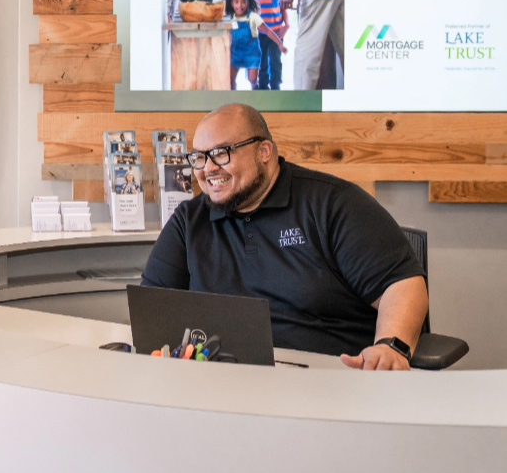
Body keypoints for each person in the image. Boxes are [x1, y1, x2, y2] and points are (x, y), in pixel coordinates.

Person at [141, 104, 428, 370]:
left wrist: (391, 347)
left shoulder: (333, 203)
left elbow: (401, 284)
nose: (208, 169)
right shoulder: (189, 222)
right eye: (199, 158)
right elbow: (151, 312)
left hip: (328, 382)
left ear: (264, 151)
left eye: (221, 153)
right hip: (223, 383)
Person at [224, 0, 286, 91]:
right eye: (236, 2)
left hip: (252, 53)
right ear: (231, 3)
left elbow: (267, 31)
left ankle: (254, 89)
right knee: (230, 79)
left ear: (248, 2)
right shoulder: (230, 18)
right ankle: (233, 97)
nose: (240, 5)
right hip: (235, 53)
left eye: (243, 1)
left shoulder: (253, 16)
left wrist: (279, 44)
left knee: (252, 78)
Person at [247, 0, 289, 90]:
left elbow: (283, 10)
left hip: (276, 33)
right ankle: (263, 87)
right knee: (262, 61)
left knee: (276, 60)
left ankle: (276, 86)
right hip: (259, 34)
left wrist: (286, 25)